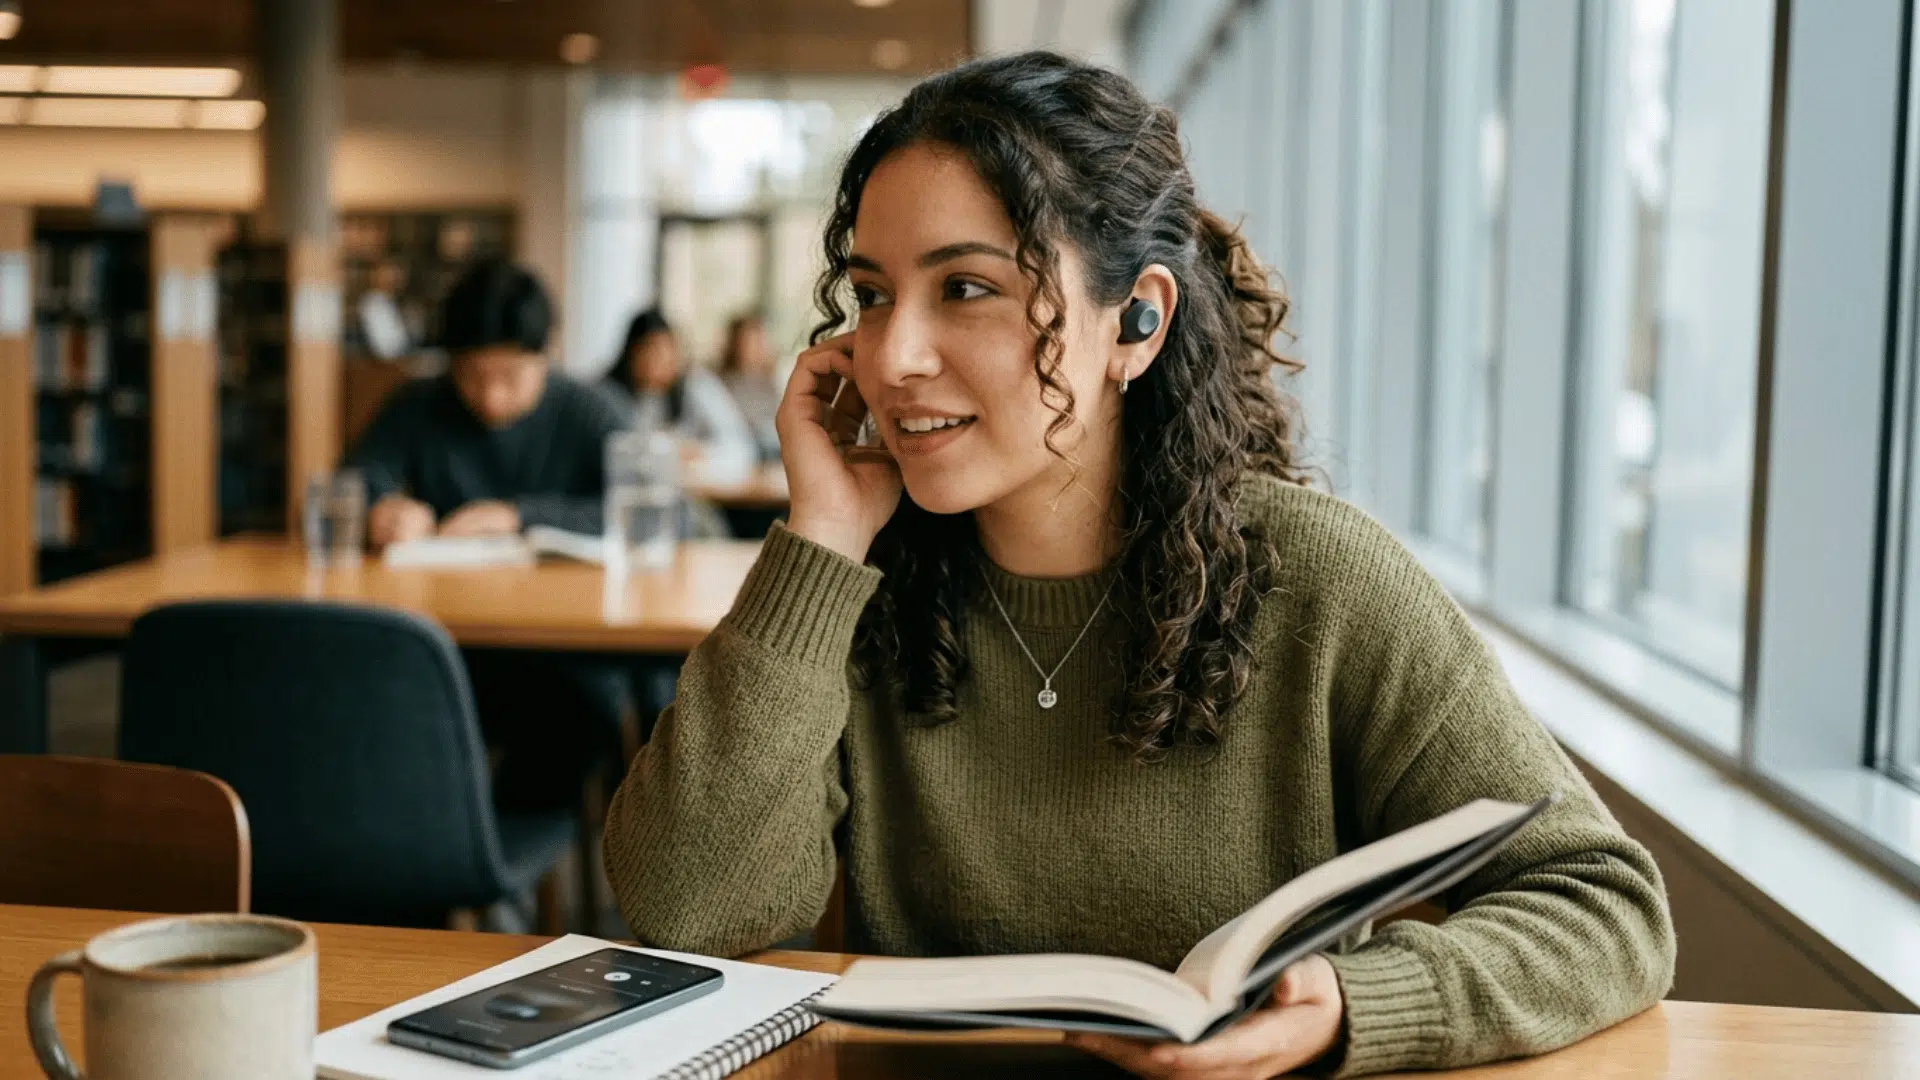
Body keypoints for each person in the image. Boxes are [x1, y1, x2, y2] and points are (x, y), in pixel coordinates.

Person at [602, 51, 1673, 1079]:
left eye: (965, 288)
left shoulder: (1320, 580)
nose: (892, 357)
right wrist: (825, 541)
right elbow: (688, 908)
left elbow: (1602, 900)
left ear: (1138, 322)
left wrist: (1354, 1005)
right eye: (874, 295)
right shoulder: (856, 586)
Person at [346, 260, 629, 812]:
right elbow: (357, 478)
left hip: (565, 651)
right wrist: (382, 509)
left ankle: (501, 855)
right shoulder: (420, 403)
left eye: (511, 377)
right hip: (448, 644)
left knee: (572, 721)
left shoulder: (587, 410)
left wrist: (519, 515)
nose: (490, 397)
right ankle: (442, 846)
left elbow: (652, 511)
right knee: (378, 703)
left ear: (546, 354)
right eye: (472, 376)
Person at [602, 308, 758, 477]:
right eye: (648, 351)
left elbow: (741, 449)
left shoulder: (696, 386)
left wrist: (699, 455)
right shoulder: (611, 395)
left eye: (664, 351)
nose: (656, 362)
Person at [717, 313, 783, 461]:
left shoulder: (768, 381)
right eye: (748, 341)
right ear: (736, 344)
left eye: (758, 341)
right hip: (743, 446)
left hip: (770, 445)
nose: (755, 347)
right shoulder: (724, 382)